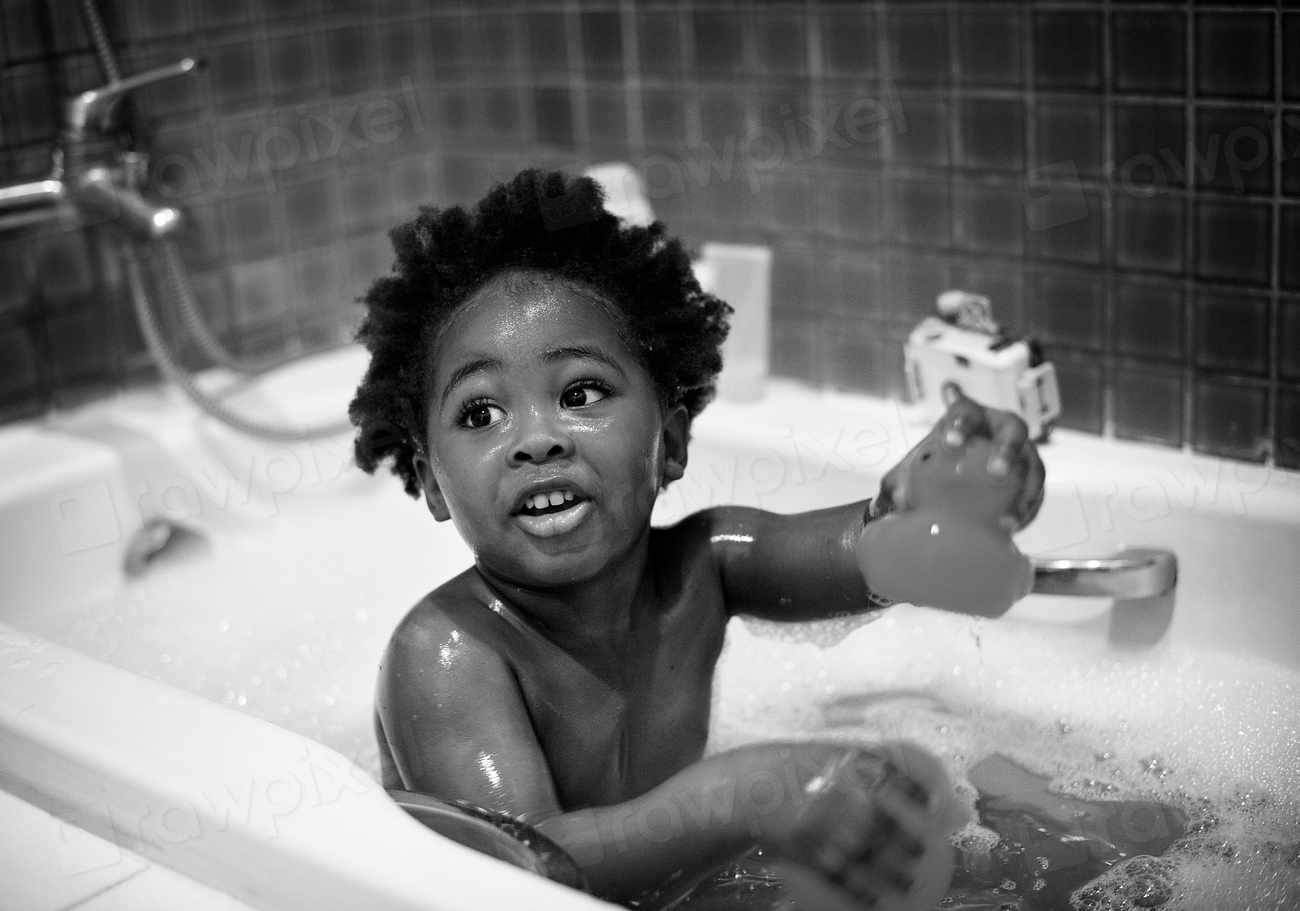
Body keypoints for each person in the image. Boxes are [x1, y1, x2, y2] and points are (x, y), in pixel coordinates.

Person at [348, 170, 1044, 908]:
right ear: (429, 481)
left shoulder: (704, 566)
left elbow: (870, 547)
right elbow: (520, 870)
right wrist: (745, 795)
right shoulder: (447, 653)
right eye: (481, 412)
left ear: (671, 442)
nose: (537, 440)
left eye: (579, 393)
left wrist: (946, 497)